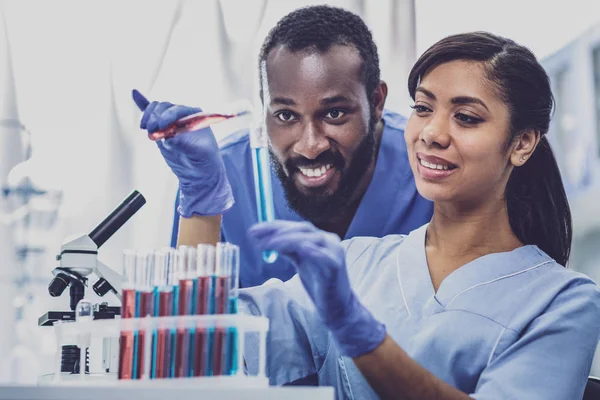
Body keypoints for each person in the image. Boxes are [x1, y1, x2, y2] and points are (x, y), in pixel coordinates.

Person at [241, 32, 600, 399]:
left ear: (522, 143)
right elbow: (214, 339)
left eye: (465, 117)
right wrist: (202, 204)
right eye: (423, 108)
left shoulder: (562, 303)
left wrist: (362, 334)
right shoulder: (355, 263)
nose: (431, 133)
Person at [132, 5, 433, 288]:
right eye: (286, 115)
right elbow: (189, 331)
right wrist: (201, 198)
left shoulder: (428, 167)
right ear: (264, 109)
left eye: (334, 113)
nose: (311, 145)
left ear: (376, 101)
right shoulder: (221, 178)